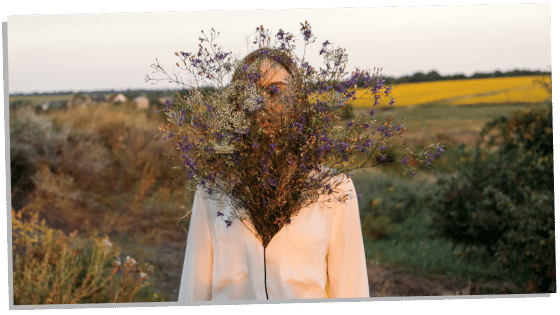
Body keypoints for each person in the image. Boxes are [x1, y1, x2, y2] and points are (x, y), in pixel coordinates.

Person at [177, 49, 369, 302]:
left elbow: (351, 289)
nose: (264, 102)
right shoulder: (214, 189)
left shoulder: (334, 188)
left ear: (297, 99)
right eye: (251, 92)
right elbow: (194, 291)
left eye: (277, 89)